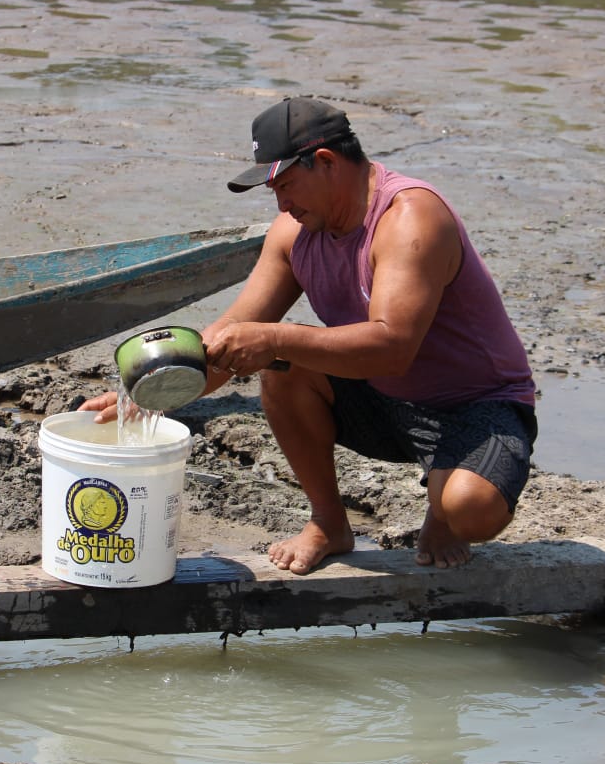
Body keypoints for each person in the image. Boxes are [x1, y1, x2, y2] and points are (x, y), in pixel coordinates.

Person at [86, 96, 536, 574]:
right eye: (273, 191)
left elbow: (393, 348)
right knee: (281, 368)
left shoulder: (410, 217)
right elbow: (228, 336)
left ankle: (443, 509)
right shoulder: (292, 233)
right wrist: (149, 393)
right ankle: (328, 523)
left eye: (286, 186)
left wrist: (276, 339)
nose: (282, 205)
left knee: (469, 509)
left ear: (326, 162)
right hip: (382, 400)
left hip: (473, 405)